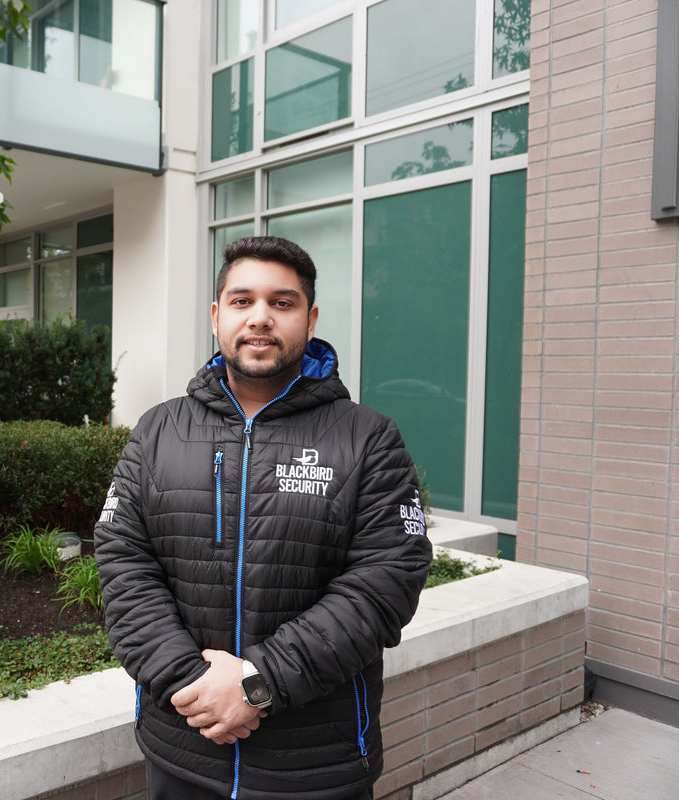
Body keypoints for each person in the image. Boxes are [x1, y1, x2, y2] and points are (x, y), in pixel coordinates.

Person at [94, 236, 433, 800]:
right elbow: (123, 565)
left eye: (282, 302)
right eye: (242, 300)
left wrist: (257, 683)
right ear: (215, 315)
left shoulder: (367, 436)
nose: (260, 318)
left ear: (310, 316)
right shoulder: (158, 430)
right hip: (184, 747)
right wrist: (191, 683)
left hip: (315, 766)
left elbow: (386, 582)